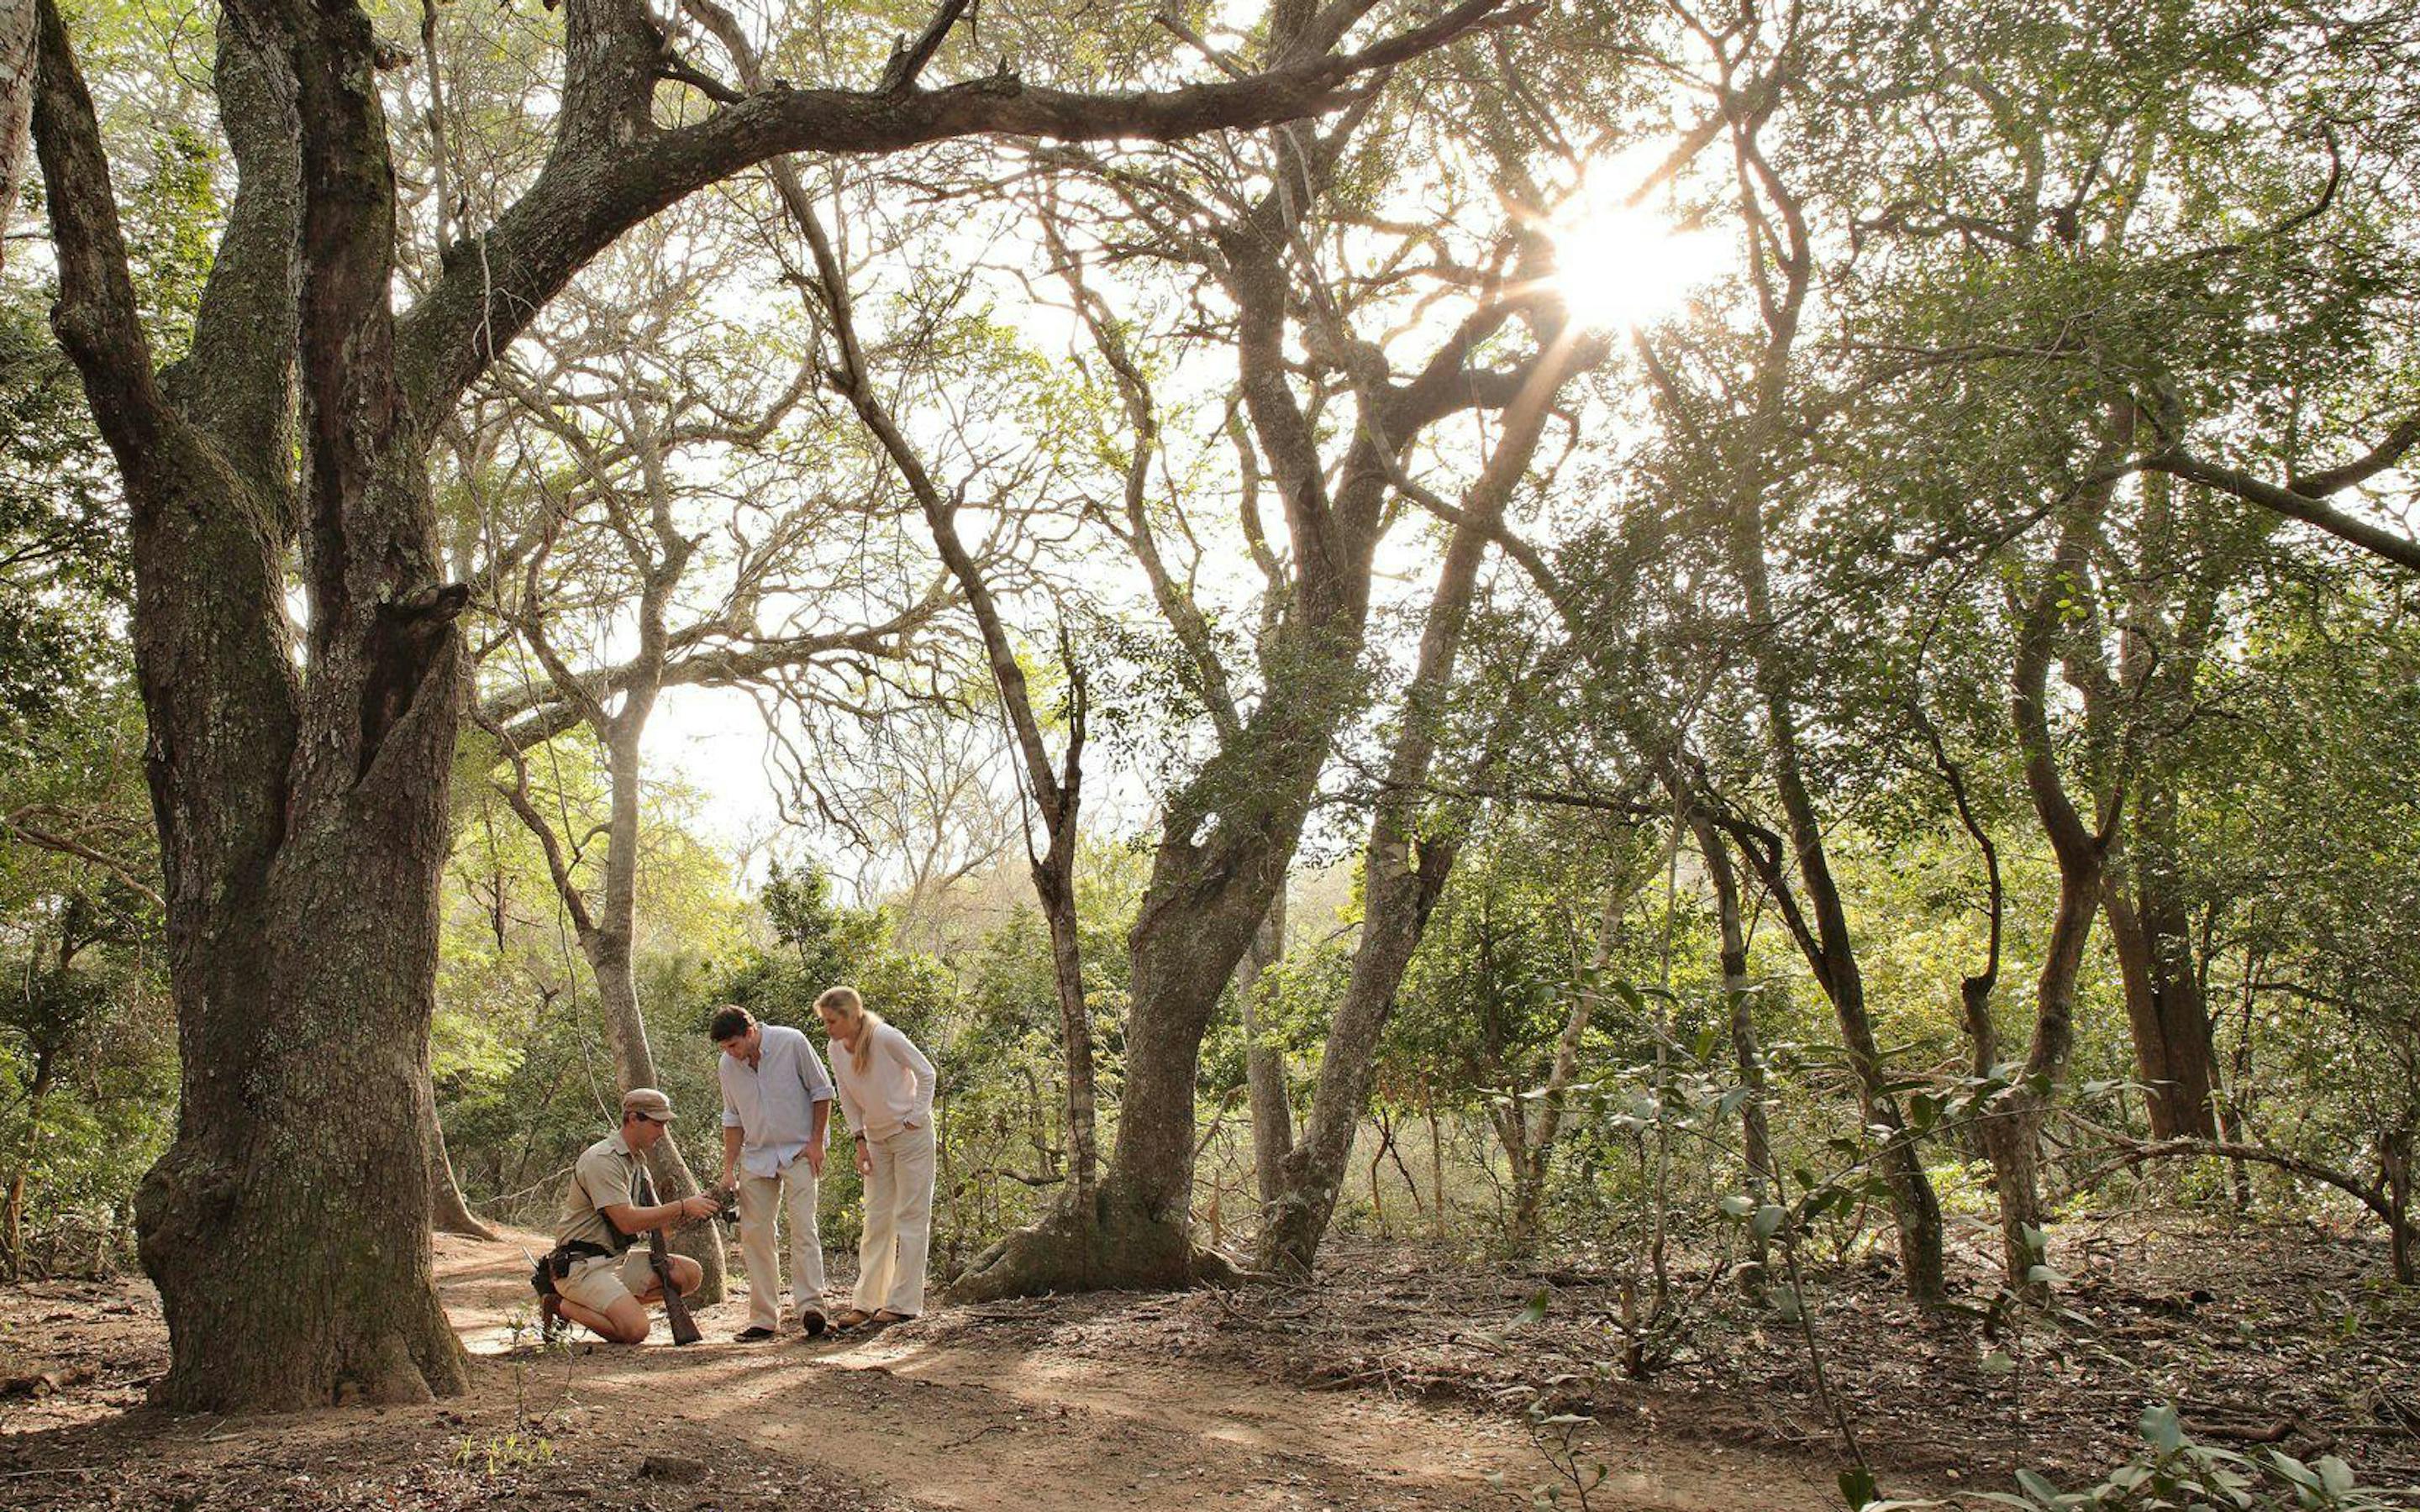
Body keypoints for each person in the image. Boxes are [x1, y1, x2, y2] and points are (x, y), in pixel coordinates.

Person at [538, 1087, 720, 1345]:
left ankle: (612, 1306)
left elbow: (660, 1227)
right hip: (582, 1268)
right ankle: (560, 1305)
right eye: (658, 1124)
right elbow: (626, 1221)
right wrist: (682, 1206)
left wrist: (701, 1210)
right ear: (633, 1118)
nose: (662, 1133)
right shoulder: (603, 1160)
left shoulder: (637, 1163)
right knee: (635, 1331)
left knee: (689, 1274)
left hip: (615, 1262)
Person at [709, 1004, 836, 1340]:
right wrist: (728, 1169)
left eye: (733, 1045)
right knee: (755, 1233)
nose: (730, 1054)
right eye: (724, 1049)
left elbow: (822, 1092)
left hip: (799, 1150)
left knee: (803, 1228)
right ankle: (764, 1318)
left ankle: (811, 1308)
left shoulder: (791, 1042)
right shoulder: (728, 1065)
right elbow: (732, 1118)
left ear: (750, 1032)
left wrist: (816, 1143)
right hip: (757, 1155)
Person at [816, 984, 937, 1330]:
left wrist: (915, 1116)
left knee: (911, 1217)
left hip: (911, 1137)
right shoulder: (835, 1048)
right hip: (875, 1139)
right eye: (824, 1022)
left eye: (832, 1021)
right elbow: (848, 1096)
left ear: (852, 1016)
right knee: (876, 1219)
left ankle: (903, 1304)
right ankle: (866, 1302)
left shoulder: (886, 1037)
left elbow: (926, 1072)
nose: (828, 1028)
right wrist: (859, 1139)